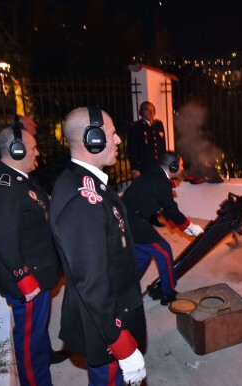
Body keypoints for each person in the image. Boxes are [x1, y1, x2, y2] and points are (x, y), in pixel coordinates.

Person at [49, 106, 147, 386]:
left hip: (113, 311)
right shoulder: (82, 201)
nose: (118, 140)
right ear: (93, 140)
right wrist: (122, 345)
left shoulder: (90, 184)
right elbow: (92, 283)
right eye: (112, 134)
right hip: (104, 324)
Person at [0, 123, 66, 386]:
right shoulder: (3, 188)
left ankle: (44, 361)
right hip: (30, 281)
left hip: (40, 274)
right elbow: (5, 240)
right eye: (32, 148)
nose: (37, 153)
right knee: (29, 341)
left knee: (38, 333)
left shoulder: (16, 177)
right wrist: (24, 278)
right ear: (16, 151)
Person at [121, 151, 204, 305]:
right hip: (132, 221)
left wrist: (185, 228)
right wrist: (191, 226)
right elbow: (171, 208)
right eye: (181, 165)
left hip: (127, 217)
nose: (182, 168)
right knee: (164, 252)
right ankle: (168, 294)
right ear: (172, 167)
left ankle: (125, 287)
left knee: (143, 256)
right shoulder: (161, 182)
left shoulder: (155, 175)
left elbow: (162, 208)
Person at [127, 101, 166, 178]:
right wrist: (134, 169)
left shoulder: (158, 124)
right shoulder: (136, 127)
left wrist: (165, 163)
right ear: (142, 112)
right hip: (144, 167)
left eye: (153, 110)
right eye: (147, 110)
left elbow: (163, 146)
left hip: (158, 166)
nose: (151, 112)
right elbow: (132, 149)